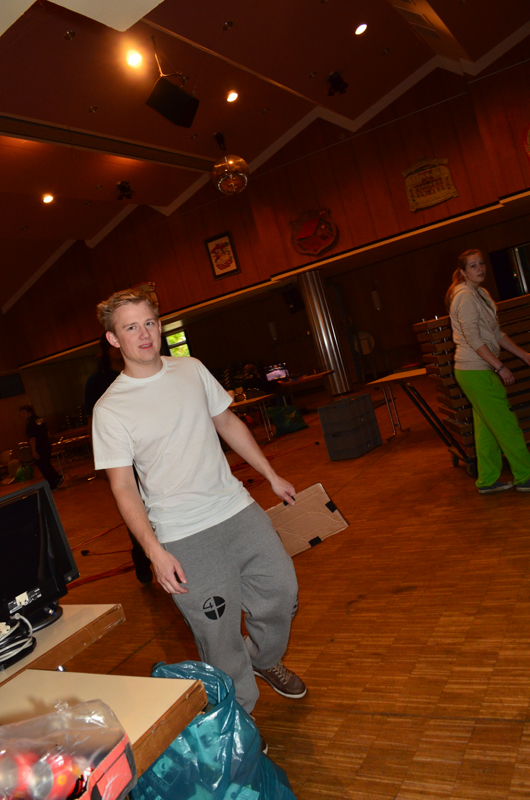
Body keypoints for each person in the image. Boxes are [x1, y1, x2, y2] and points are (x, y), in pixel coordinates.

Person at [91, 288, 306, 716]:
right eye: (131, 327)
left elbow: (226, 421)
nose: (144, 334)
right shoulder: (110, 409)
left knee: (283, 592)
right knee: (218, 636)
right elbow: (124, 487)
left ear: (159, 325)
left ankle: (263, 659)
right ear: (114, 339)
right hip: (183, 535)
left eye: (149, 323)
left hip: (237, 509)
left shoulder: (190, 369)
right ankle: (238, 715)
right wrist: (154, 552)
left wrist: (270, 475)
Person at [446, 249, 530, 494]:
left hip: (474, 371)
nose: (480, 268)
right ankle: (526, 475)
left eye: (481, 263)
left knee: (486, 429)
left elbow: (496, 334)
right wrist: (499, 366)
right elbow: (473, 339)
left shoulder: (480, 293)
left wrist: (524, 355)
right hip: (475, 370)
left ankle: (487, 480)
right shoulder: (465, 297)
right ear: (463, 272)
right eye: (473, 265)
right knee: (506, 424)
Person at [84, 334, 153, 585]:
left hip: (147, 447)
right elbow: (93, 422)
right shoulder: (97, 382)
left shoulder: (137, 371)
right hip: (121, 451)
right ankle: (142, 555)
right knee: (135, 504)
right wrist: (98, 459)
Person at [19, 405, 63, 490]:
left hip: (39, 447)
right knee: (47, 464)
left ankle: (53, 482)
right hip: (46, 445)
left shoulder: (30, 424)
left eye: (24, 413)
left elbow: (32, 438)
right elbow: (47, 432)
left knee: (43, 466)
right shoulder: (40, 419)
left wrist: (33, 451)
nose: (22, 415)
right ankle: (56, 478)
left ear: (30, 413)